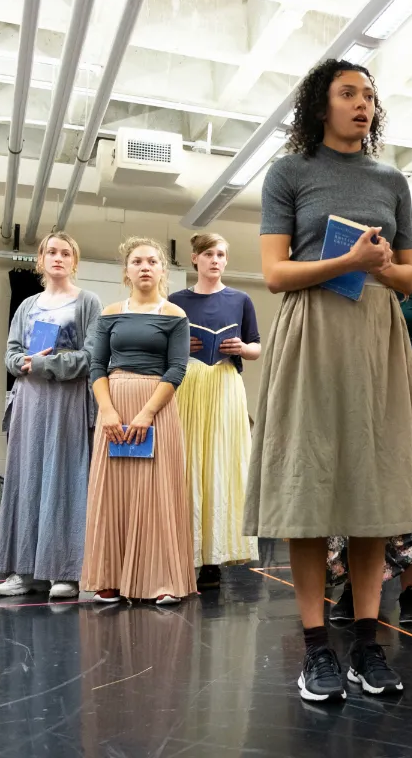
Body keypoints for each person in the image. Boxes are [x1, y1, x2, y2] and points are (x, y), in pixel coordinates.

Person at [243, 58, 412, 703]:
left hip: (377, 337)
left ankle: (365, 643)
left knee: (371, 487)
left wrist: (380, 267)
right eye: (348, 93)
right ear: (320, 104)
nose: (362, 104)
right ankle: (314, 650)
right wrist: (345, 260)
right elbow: (274, 274)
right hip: (311, 334)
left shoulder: (391, 179)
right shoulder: (290, 172)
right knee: (308, 486)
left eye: (369, 96)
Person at [328, 257, 412, 627]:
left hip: (407, 394)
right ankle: (353, 588)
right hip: (357, 394)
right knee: (356, 490)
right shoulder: (344, 278)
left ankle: (409, 593)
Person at [81, 237, 194, 606]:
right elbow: (96, 365)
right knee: (113, 493)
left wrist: (146, 414)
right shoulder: (111, 312)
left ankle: (161, 579)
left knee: (156, 494)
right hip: (113, 407)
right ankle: (109, 578)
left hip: (156, 408)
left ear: (162, 270)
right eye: (137, 261)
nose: (145, 267)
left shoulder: (174, 315)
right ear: (126, 271)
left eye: (152, 261)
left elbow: (177, 368)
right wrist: (108, 411)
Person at [0, 233, 101, 600]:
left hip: (68, 399)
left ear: (75, 261)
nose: (58, 257)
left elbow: (92, 355)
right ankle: (22, 570)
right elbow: (10, 352)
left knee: (65, 480)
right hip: (29, 400)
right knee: (27, 479)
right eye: (52, 252)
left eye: (66, 252)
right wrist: (21, 363)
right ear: (40, 259)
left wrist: (46, 363)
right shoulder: (27, 305)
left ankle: (65, 571)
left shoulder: (88, 302)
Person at [169, 233, 261, 591]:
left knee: (221, 464)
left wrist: (242, 347)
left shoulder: (241, 299)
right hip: (189, 383)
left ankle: (212, 559)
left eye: (221, 254)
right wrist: (180, 344)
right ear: (195, 258)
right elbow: (163, 347)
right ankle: (182, 550)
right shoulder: (176, 301)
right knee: (187, 462)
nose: (215, 260)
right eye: (209, 254)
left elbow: (256, 347)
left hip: (224, 382)